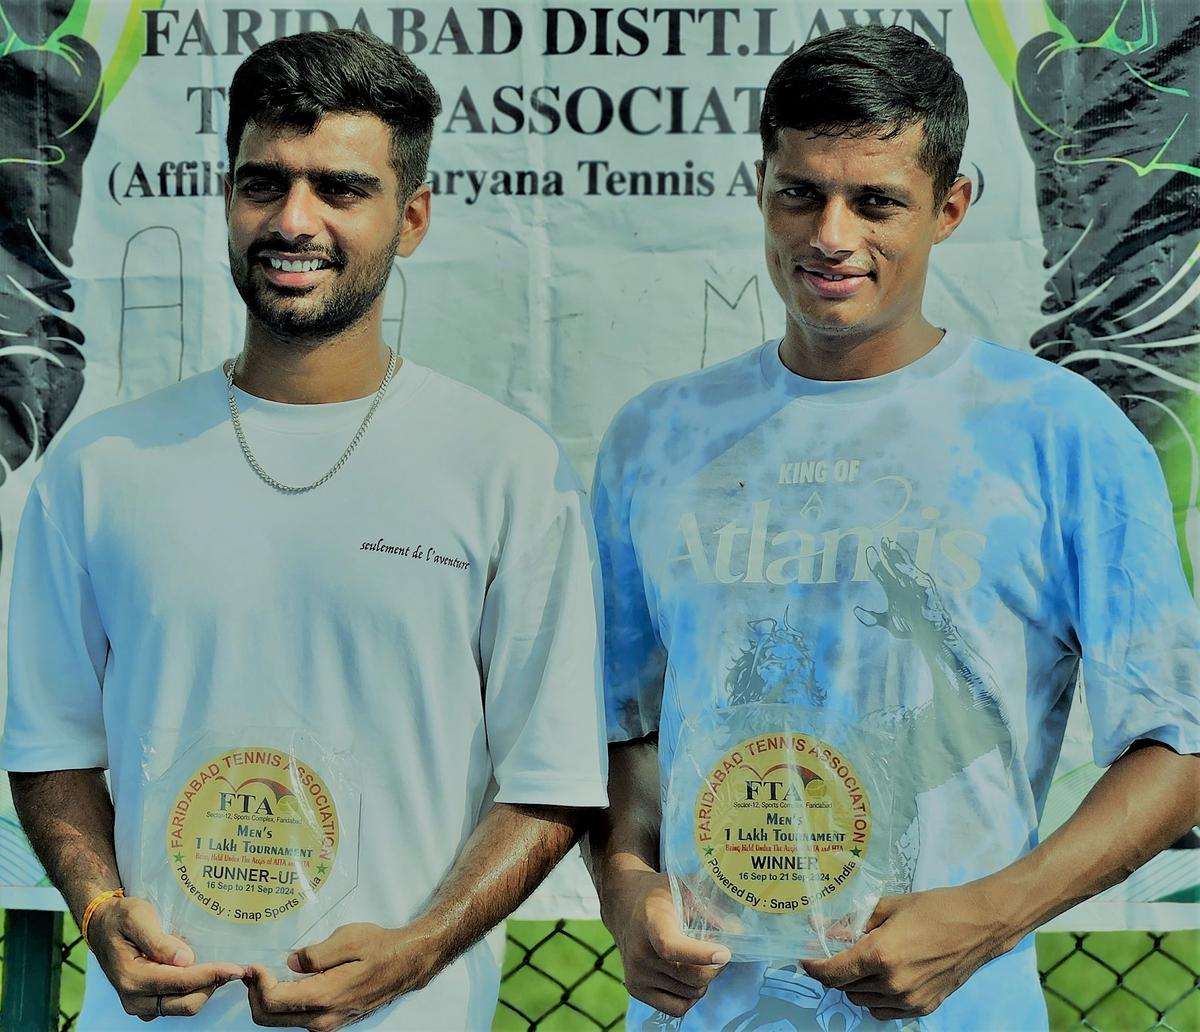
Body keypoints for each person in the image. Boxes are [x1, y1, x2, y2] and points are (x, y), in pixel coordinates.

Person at [587, 25, 1200, 1032]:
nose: (831, 236)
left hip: (956, 1010)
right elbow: (627, 725)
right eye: (802, 193)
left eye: (876, 202)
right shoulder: (660, 437)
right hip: (703, 1014)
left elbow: (1179, 746)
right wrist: (622, 886)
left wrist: (987, 918)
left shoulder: (1056, 434)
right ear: (761, 188)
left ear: (950, 207)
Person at [3, 29, 607, 1031]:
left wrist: (413, 957)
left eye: (340, 189)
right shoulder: (101, 469)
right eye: (263, 184)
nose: (294, 221)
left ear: (410, 218)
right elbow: (50, 744)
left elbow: (549, 779)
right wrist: (103, 909)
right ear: (228, 197)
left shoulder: (507, 470)